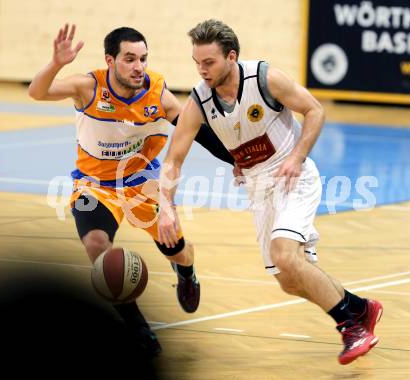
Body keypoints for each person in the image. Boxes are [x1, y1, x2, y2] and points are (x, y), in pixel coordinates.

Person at [157, 19, 383, 365]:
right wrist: (166, 205)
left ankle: (351, 327)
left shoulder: (264, 78)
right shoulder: (199, 101)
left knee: (284, 254)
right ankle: (360, 307)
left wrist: (297, 156)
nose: (201, 70)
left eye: (209, 62)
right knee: (288, 281)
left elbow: (314, 110)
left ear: (231, 57)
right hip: (258, 187)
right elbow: (173, 160)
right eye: (197, 63)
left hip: (294, 176)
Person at [28, 23, 234, 356]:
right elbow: (37, 92)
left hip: (141, 182)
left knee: (176, 248)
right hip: (93, 185)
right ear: (110, 60)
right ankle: (138, 327)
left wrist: (235, 160)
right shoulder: (88, 86)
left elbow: (194, 129)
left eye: (143, 58)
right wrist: (56, 63)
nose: (138, 66)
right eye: (129, 59)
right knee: (97, 246)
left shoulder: (156, 91)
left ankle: (186, 271)